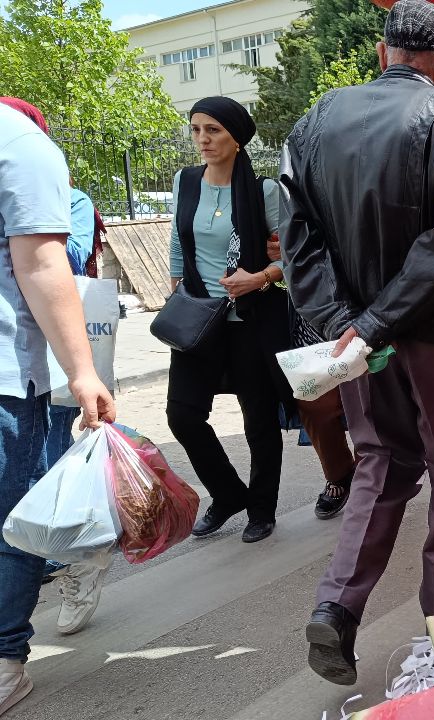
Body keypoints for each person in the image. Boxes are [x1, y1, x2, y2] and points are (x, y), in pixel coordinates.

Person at [280, 0, 434, 686]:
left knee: (379, 465)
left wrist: (344, 325)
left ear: (382, 54)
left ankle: (338, 604)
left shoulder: (315, 119)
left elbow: (299, 242)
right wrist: (375, 321)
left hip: (357, 337)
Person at [0, 100, 116, 718]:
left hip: (13, 374)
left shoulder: (21, 147)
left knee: (16, 516)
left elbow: (52, 264)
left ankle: (6, 656)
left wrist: (82, 373)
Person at [166, 97, 292, 546]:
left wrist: (259, 277)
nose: (203, 139)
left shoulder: (265, 192)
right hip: (199, 319)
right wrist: (177, 291)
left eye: (214, 130)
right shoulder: (185, 182)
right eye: (197, 129)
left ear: (237, 138)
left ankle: (262, 508)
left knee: (257, 419)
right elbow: (179, 246)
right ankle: (227, 493)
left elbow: (296, 257)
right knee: (182, 415)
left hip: (250, 320)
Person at [265, 235, 358, 520]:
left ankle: (374, 477)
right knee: (315, 407)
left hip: (363, 313)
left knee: (370, 410)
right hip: (312, 334)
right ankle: (340, 475)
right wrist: (277, 258)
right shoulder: (289, 202)